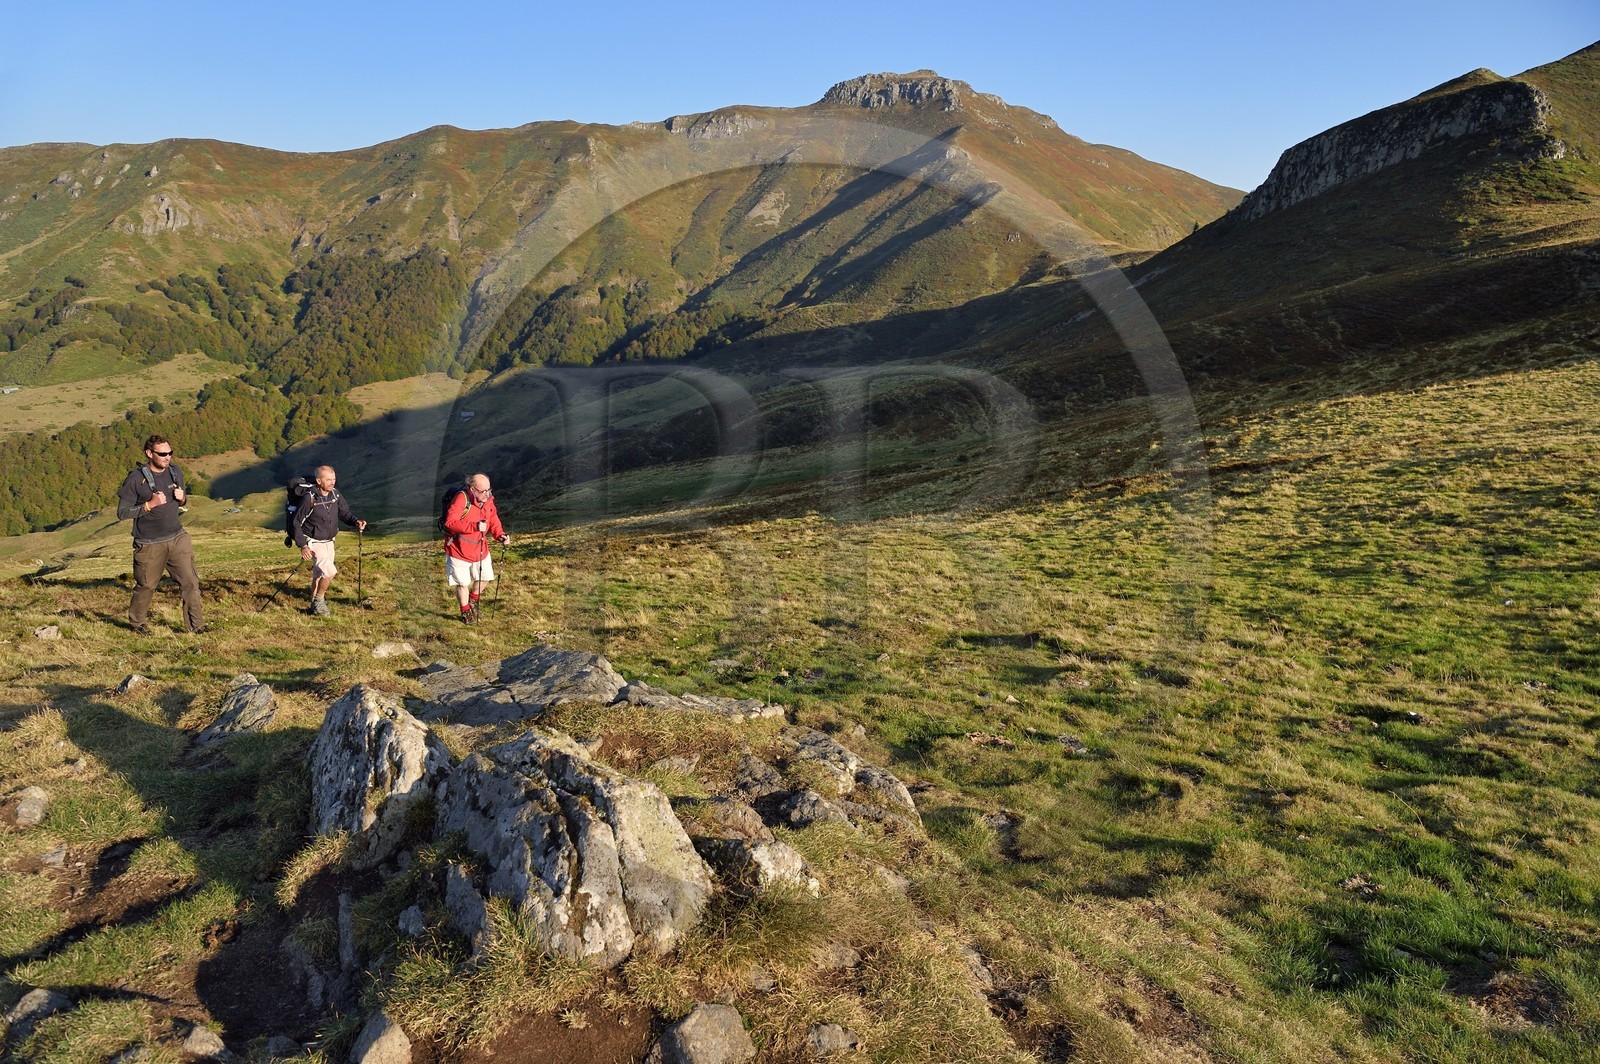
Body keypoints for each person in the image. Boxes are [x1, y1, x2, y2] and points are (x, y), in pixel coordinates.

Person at [116, 435, 204, 634]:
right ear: (149, 453)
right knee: (146, 586)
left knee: (190, 582)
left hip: (177, 537)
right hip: (149, 543)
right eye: (162, 454)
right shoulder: (135, 479)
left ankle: (196, 626)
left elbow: (182, 500)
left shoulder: (175, 472)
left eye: (170, 453)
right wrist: (149, 505)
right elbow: (122, 513)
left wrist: (183, 500)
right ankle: (137, 624)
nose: (167, 457)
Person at [289, 465, 366, 616]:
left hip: (329, 541)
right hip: (313, 542)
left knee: (319, 574)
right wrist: (303, 546)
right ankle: (319, 600)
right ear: (318, 480)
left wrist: (356, 522)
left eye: (334, 479)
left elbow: (344, 514)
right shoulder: (309, 498)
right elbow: (296, 523)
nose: (332, 482)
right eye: (328, 479)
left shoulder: (335, 495)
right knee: (330, 572)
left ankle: (313, 607)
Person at [443, 473, 509, 624]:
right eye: (483, 491)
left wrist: (500, 535)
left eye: (489, 490)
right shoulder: (461, 498)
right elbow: (449, 523)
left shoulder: (488, 501)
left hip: (480, 548)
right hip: (458, 549)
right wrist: (474, 526)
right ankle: (465, 611)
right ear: (472, 489)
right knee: (462, 582)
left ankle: (472, 602)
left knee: (485, 577)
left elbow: (493, 520)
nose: (487, 494)